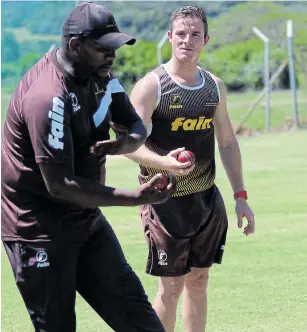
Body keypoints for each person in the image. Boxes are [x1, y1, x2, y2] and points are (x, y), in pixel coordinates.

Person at [1, 2, 176, 332]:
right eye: (103, 48)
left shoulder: (101, 76)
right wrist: (134, 196)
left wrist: (125, 143)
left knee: (139, 319)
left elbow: (135, 126)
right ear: (75, 46)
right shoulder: (48, 96)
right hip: (39, 231)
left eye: (114, 47)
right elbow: (60, 184)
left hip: (85, 219)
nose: (111, 56)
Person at [125, 5, 255, 332]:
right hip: (163, 202)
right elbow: (128, 145)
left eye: (195, 34)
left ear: (205, 40)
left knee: (199, 280)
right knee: (171, 287)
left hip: (205, 200)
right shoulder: (151, 87)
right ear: (170, 37)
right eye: (181, 34)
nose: (187, 40)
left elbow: (227, 143)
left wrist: (240, 196)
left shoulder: (214, 87)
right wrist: (163, 163)